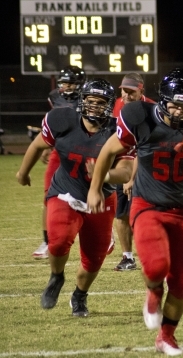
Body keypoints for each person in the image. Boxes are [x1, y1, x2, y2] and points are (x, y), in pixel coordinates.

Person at [87, 68, 183, 356]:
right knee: (156, 266)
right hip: (148, 205)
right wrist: (95, 188)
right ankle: (153, 291)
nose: (179, 111)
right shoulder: (140, 116)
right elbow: (108, 151)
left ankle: (166, 336)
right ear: (162, 101)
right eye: (174, 104)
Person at [17, 79, 133, 317]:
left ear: (110, 106)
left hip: (101, 199)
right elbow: (38, 144)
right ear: (82, 101)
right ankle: (56, 276)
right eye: (90, 101)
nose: (94, 107)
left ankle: (79, 295)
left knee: (94, 258)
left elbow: (127, 172)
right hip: (65, 192)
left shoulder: (118, 130)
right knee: (58, 241)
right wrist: (23, 172)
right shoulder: (62, 119)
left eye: (100, 103)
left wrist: (104, 173)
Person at [32, 66, 86, 259]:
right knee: (48, 196)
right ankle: (47, 241)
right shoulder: (54, 96)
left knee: (92, 194)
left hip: (85, 151)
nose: (67, 86)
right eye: (64, 82)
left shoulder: (89, 97)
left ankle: (106, 232)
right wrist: (47, 145)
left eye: (71, 83)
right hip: (60, 151)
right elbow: (52, 123)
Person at [111, 73, 156, 272]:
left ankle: (154, 254)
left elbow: (146, 148)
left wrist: (132, 178)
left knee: (147, 214)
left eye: (131, 92)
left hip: (147, 166)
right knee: (121, 213)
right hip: (122, 162)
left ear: (141, 91)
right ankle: (127, 257)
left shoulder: (152, 110)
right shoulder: (116, 106)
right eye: (124, 91)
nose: (126, 95)